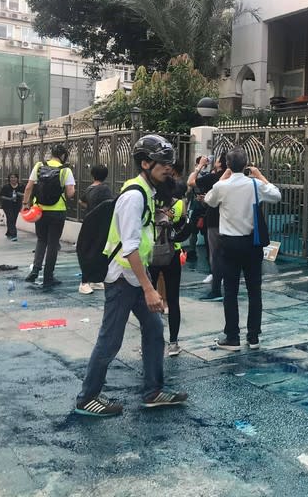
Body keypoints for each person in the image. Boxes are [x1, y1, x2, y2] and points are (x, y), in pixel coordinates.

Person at [75, 134, 187, 417]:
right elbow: (130, 248)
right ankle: (88, 397)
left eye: (169, 164)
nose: (168, 169)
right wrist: (150, 289)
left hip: (136, 278)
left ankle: (153, 391)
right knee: (110, 339)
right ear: (146, 163)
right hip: (124, 279)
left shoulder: (146, 193)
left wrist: (158, 218)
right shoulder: (135, 196)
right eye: (163, 164)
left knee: (154, 330)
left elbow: (141, 232)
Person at [205, 148, 281, 351]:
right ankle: (253, 336)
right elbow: (276, 195)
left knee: (230, 291)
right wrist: (260, 175)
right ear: (246, 164)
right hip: (252, 243)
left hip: (229, 243)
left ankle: (232, 337)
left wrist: (223, 176)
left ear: (228, 165)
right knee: (254, 290)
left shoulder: (222, 186)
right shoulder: (255, 184)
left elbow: (209, 200)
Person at [22, 144, 75, 289]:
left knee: (41, 239)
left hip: (39, 210)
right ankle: (48, 276)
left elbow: (28, 187)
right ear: (63, 155)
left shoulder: (39, 165)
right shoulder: (65, 170)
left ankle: (35, 270)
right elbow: (70, 193)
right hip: (57, 212)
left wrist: (25, 204)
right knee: (53, 244)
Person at [148, 164, 187, 357]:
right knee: (173, 299)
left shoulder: (150, 203)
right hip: (173, 253)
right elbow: (183, 229)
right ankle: (173, 343)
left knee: (150, 301)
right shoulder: (179, 204)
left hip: (151, 254)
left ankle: (150, 342)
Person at [187, 153, 227, 300]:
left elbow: (191, 182)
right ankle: (228, 287)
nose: (214, 162)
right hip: (230, 222)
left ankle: (216, 290)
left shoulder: (214, 178)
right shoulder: (240, 180)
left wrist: (200, 166)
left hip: (215, 221)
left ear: (221, 164)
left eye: (216, 160)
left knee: (215, 256)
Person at [78, 163, 113, 295]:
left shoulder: (89, 189)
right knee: (95, 252)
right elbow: (109, 205)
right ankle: (84, 282)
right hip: (99, 225)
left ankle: (93, 281)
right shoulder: (105, 189)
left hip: (89, 223)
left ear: (92, 175)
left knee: (91, 251)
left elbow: (81, 201)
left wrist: (90, 208)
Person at [0, 173, 24, 242]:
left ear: (17, 178)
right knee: (11, 218)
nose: (13, 179)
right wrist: (9, 199)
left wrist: (20, 194)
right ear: (9, 179)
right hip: (7, 205)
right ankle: (14, 235)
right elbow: (1, 196)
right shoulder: (6, 187)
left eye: (15, 177)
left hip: (16, 205)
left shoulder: (21, 186)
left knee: (13, 219)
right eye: (11, 177)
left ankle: (9, 233)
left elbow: (26, 194)